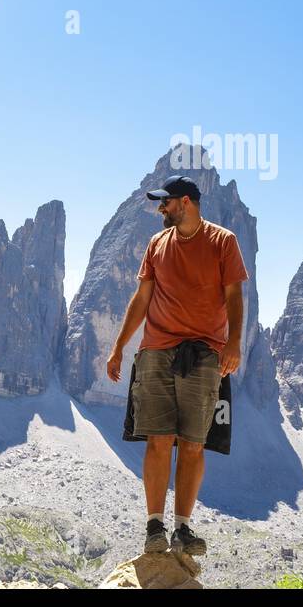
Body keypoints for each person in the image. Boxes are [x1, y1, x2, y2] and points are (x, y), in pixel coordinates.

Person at [105, 174, 248, 556]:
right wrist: (119, 346)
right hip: (156, 351)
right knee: (157, 439)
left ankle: (182, 529)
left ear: (186, 202)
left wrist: (234, 341)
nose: (160, 208)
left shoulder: (223, 241)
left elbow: (234, 294)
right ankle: (154, 526)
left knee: (192, 444)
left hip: (204, 354)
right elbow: (142, 297)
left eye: (165, 202)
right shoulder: (156, 244)